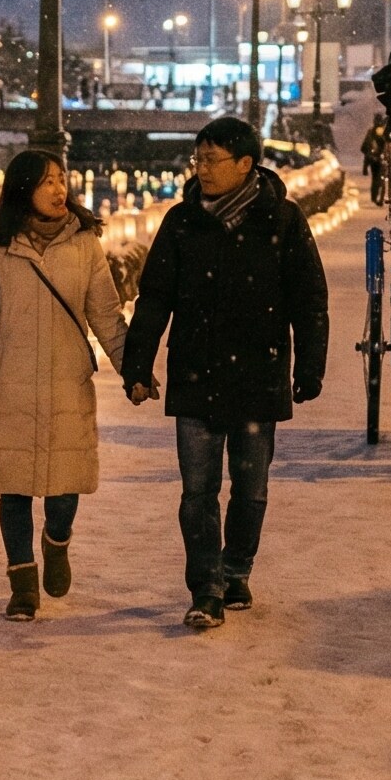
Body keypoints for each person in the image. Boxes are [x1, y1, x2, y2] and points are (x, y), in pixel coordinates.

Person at [119, 117, 330, 632]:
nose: (202, 169)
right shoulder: (181, 222)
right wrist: (138, 365)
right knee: (197, 491)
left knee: (251, 489)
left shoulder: (282, 220)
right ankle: (205, 587)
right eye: (198, 159)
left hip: (260, 373)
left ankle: (237, 567)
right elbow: (155, 299)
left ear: (245, 164)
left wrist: (310, 367)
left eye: (212, 160)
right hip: (197, 372)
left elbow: (309, 301)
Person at [0, 148, 129, 621]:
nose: (58, 189)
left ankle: (57, 541)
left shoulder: (84, 242)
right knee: (15, 489)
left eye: (62, 179)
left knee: (66, 489)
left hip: (66, 381)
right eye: (46, 181)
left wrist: (134, 370)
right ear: (24, 189)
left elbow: (105, 313)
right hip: (10, 382)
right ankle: (22, 582)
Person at [359, 117, 391, 202]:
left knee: (378, 178)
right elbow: (365, 147)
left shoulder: (383, 133)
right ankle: (375, 197)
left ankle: (377, 196)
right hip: (375, 159)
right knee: (377, 178)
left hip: (381, 158)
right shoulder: (372, 133)